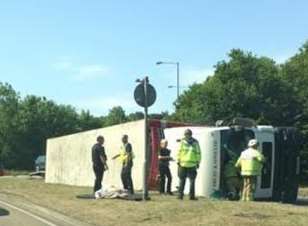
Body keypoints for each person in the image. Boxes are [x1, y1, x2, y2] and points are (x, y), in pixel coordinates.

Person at [177, 129, 201, 200]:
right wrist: (198, 162)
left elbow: (179, 151)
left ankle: (180, 196)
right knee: (192, 181)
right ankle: (191, 196)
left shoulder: (182, 142)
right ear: (191, 134)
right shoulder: (195, 142)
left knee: (182, 180)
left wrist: (178, 160)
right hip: (192, 164)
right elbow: (198, 153)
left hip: (183, 163)